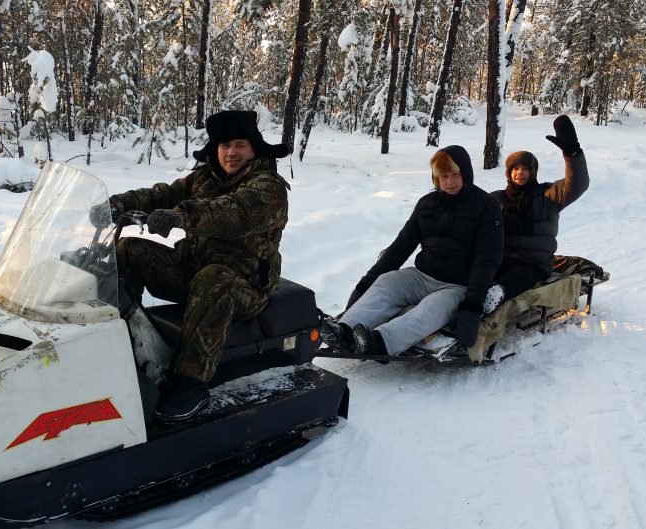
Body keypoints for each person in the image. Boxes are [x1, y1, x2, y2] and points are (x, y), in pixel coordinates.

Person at [92, 110, 290, 422]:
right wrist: (115, 205)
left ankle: (191, 381)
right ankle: (113, 332)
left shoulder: (268, 188)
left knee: (215, 279)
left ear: (254, 148)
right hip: (194, 269)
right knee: (131, 248)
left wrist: (181, 216)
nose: (231, 152)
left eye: (239, 144)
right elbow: (163, 193)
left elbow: (231, 212)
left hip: (243, 285)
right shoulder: (206, 177)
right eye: (224, 145)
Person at [321, 145, 504, 358]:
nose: (449, 182)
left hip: (457, 285)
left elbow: (487, 259)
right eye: (443, 176)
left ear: (466, 173)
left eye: (455, 175)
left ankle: (379, 342)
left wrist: (472, 307)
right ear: (436, 178)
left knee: (430, 309)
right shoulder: (427, 204)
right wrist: (364, 284)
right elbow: (401, 246)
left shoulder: (486, 206)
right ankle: (344, 331)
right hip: (421, 276)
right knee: (388, 282)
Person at [482, 115, 590, 314]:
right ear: (508, 172)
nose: (520, 172)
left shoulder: (548, 195)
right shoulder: (495, 199)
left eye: (525, 169)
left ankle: (497, 294)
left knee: (521, 276)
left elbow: (577, 185)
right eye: (515, 168)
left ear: (533, 172)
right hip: (501, 257)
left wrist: (572, 152)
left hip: (533, 261)